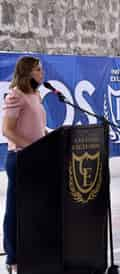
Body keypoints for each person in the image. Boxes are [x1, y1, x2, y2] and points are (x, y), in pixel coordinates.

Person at [2, 56, 46, 274]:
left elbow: (36, 126)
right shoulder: (15, 96)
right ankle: (13, 257)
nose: (42, 73)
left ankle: (32, 250)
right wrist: (31, 147)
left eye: (41, 69)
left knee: (34, 208)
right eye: (38, 70)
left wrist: (47, 135)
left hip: (36, 159)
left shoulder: (36, 95)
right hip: (20, 158)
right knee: (15, 210)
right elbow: (7, 130)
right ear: (27, 72)